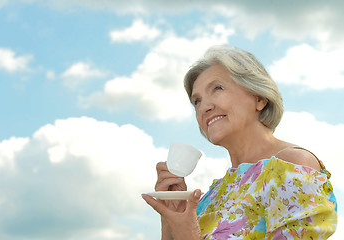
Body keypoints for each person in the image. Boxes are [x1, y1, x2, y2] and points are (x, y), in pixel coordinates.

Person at [141, 44, 337, 239]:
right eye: (197, 101)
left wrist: (189, 235)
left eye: (217, 88)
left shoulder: (291, 165)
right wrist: (170, 216)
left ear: (259, 98)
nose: (204, 107)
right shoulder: (214, 194)